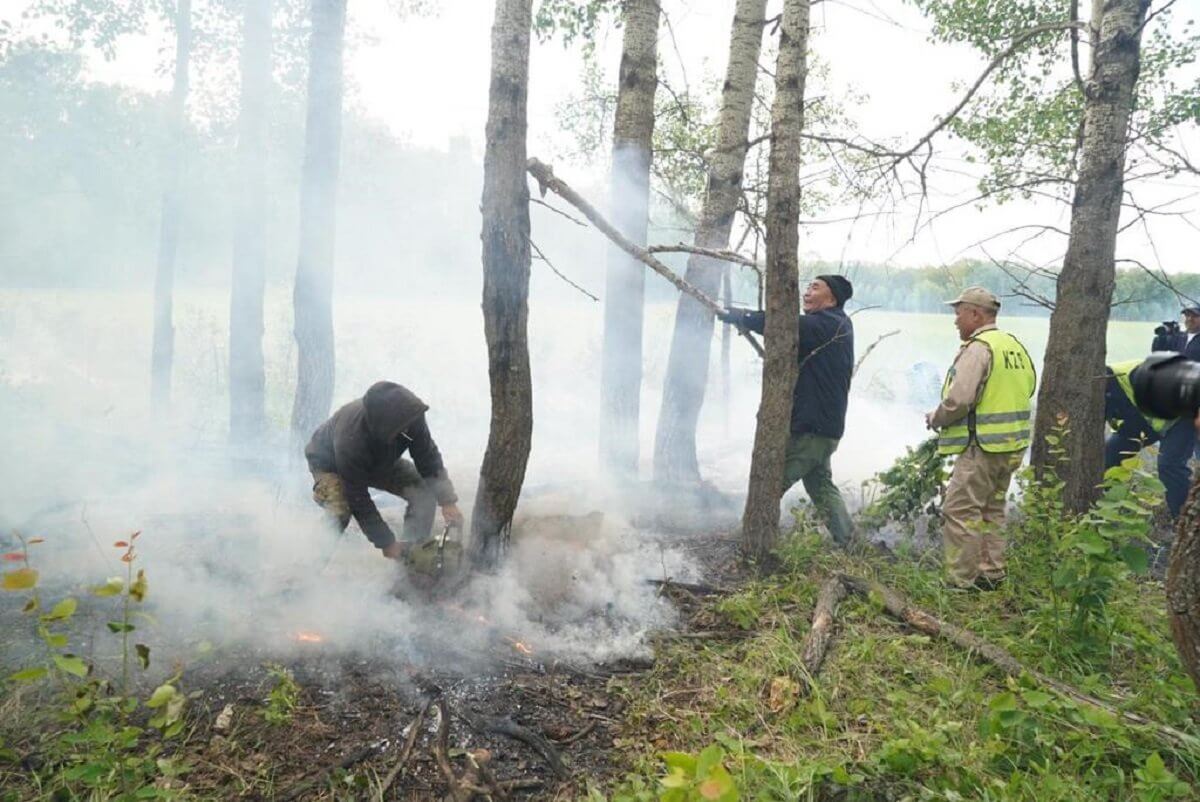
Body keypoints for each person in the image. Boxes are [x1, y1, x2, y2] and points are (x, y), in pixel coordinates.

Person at [720, 275, 855, 546]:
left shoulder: (829, 324)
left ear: (832, 299)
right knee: (821, 487)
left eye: (815, 288)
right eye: (808, 287)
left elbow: (782, 326)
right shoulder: (833, 325)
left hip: (813, 428)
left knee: (772, 481)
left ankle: (748, 538)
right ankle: (850, 543)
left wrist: (742, 317)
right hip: (822, 427)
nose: (806, 293)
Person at [925, 287, 1035, 590]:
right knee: (992, 510)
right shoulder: (1013, 346)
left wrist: (936, 418)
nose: (956, 321)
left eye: (958, 313)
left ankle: (960, 582)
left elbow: (960, 400)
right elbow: (1026, 390)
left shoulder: (978, 348)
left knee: (960, 511)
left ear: (975, 313)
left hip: (982, 447)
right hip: (1011, 446)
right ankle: (991, 574)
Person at [304, 381, 463, 560]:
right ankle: (308, 567)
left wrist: (447, 501)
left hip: (380, 460)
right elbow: (357, 497)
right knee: (340, 508)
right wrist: (385, 541)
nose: (408, 429)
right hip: (331, 464)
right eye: (402, 427)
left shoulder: (411, 415)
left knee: (422, 491)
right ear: (382, 426)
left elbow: (427, 455)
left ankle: (412, 558)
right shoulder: (351, 440)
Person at [1104, 359, 1193, 517]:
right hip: (1146, 423)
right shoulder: (1097, 393)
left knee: (1169, 465)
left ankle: (1184, 522)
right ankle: (1110, 508)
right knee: (1110, 453)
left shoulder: (1134, 373)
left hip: (1181, 418)